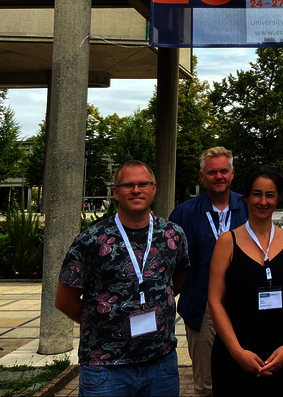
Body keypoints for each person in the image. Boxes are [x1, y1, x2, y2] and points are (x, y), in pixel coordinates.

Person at [55, 160, 189, 397]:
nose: (136, 190)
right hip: (106, 368)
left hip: (161, 363)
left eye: (143, 184)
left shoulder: (172, 234)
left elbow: (176, 281)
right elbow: (65, 300)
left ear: (154, 188)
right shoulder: (91, 241)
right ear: (116, 192)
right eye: (128, 185)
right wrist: (104, 321)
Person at [208, 165, 283, 397]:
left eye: (270, 195)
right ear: (245, 197)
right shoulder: (227, 242)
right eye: (257, 194)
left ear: (278, 198)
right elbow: (215, 302)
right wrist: (237, 352)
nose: (263, 201)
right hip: (236, 356)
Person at [169, 147, 248, 396]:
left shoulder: (248, 210)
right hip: (201, 309)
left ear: (233, 173)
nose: (219, 176)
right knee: (206, 383)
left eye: (224, 171)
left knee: (244, 376)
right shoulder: (183, 214)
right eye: (212, 172)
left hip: (243, 306)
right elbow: (171, 264)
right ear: (202, 177)